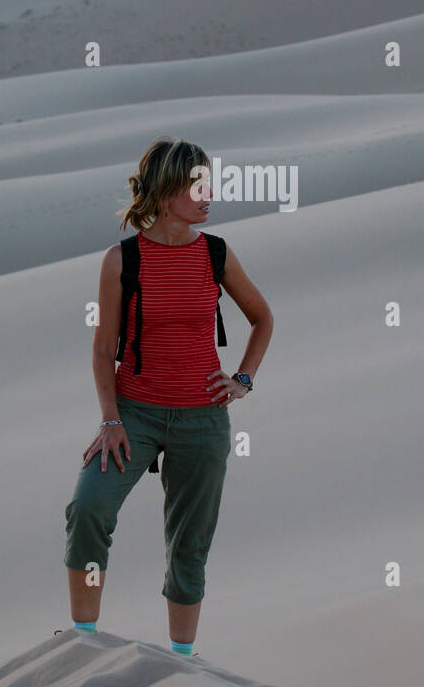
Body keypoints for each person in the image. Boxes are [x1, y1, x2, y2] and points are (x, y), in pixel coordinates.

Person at [64, 137, 274, 655]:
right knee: (88, 507)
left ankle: (182, 659)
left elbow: (262, 318)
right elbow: (101, 349)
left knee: (190, 544)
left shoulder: (217, 254)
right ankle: (83, 641)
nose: (208, 195)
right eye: (196, 185)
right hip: (134, 414)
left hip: (202, 419)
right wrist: (110, 419)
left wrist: (242, 380)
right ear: (164, 193)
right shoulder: (122, 261)